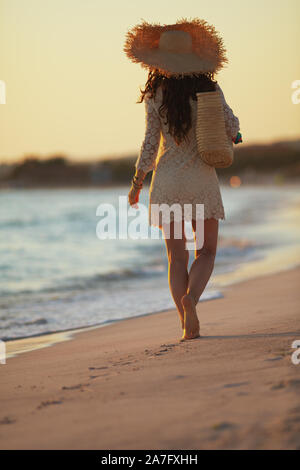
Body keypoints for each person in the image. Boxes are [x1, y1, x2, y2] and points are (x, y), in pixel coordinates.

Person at [124, 18, 240, 340]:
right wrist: (238, 134)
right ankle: (193, 299)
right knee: (207, 253)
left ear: (159, 61)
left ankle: (184, 320)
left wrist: (136, 185)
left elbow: (149, 145)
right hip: (201, 180)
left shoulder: (155, 95)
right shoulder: (209, 88)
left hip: (167, 182)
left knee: (177, 258)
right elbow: (231, 126)